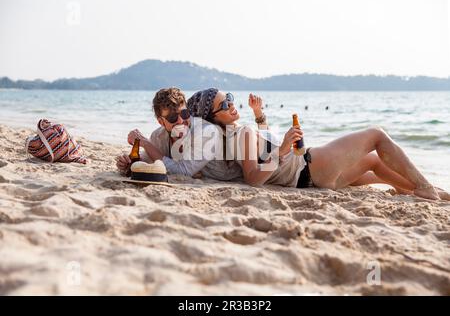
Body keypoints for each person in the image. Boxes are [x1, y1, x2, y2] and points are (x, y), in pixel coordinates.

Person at [187, 88, 449, 201]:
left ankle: (435, 194)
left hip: (310, 179)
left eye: (230, 99)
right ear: (212, 117)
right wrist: (283, 150)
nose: (232, 105)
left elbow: (262, 150)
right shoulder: (240, 135)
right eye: (224, 105)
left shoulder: (234, 137)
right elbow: (254, 179)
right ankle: (425, 186)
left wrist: (260, 117)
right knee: (376, 135)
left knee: (374, 164)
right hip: (310, 166)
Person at [116, 87, 242, 181]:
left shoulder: (206, 132)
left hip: (246, 169)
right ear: (161, 122)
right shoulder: (158, 136)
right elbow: (148, 159)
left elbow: (183, 171)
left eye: (184, 113)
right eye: (172, 117)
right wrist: (127, 162)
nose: (181, 121)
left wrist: (146, 144)